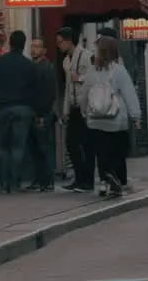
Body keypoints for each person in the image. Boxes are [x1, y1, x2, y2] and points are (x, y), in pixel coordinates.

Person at [76, 34, 141, 197]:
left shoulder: (92, 72)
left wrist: (84, 111)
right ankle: (116, 180)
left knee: (101, 153)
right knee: (117, 153)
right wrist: (136, 116)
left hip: (95, 120)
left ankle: (104, 182)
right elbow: (129, 94)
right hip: (116, 120)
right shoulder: (119, 71)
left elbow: (84, 94)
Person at [0, 31, 38, 194]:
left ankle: (3, 181)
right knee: (18, 147)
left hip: (2, 108)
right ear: (24, 44)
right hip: (23, 108)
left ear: (10, 44)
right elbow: (35, 89)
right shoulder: (28, 65)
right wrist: (37, 111)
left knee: (4, 146)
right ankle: (15, 182)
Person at [56, 27, 95, 192]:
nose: (58, 45)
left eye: (60, 42)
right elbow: (67, 88)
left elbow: (93, 78)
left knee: (85, 145)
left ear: (68, 41)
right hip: (73, 106)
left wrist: (79, 78)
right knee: (71, 143)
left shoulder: (86, 56)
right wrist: (65, 110)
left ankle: (87, 181)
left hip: (84, 107)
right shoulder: (66, 60)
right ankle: (79, 178)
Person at [28, 36, 59, 191]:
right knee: (35, 149)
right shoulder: (31, 66)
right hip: (32, 113)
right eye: (32, 46)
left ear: (44, 50)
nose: (33, 49)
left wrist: (42, 113)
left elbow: (49, 93)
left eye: (37, 46)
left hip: (42, 114)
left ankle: (47, 181)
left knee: (44, 148)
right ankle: (38, 179)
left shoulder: (47, 67)